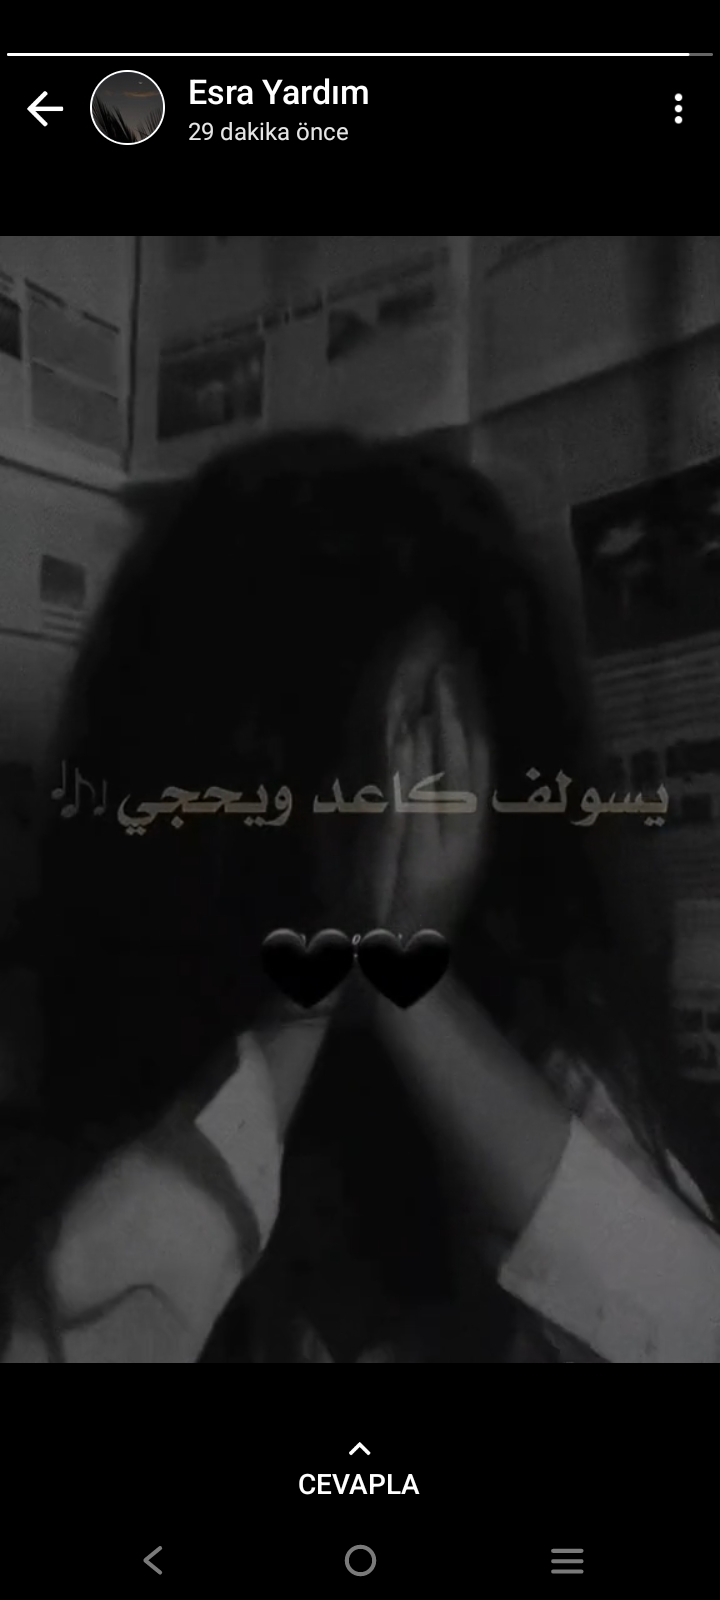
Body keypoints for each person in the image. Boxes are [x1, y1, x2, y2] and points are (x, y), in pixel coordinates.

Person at [1, 428, 719, 1363]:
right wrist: (307, 991)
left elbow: (696, 1329)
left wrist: (412, 983)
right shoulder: (86, 1073)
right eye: (349, 757)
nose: (390, 809)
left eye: (429, 741)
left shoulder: (544, 1033)